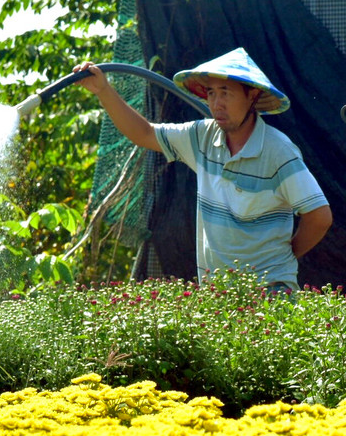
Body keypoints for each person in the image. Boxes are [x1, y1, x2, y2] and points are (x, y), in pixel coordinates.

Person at [74, 47, 332, 292]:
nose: (216, 103)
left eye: (225, 93)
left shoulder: (278, 150)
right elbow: (145, 133)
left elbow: (319, 216)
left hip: (271, 290)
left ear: (251, 95)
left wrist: (282, 257)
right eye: (211, 93)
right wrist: (103, 91)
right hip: (218, 294)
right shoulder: (202, 136)